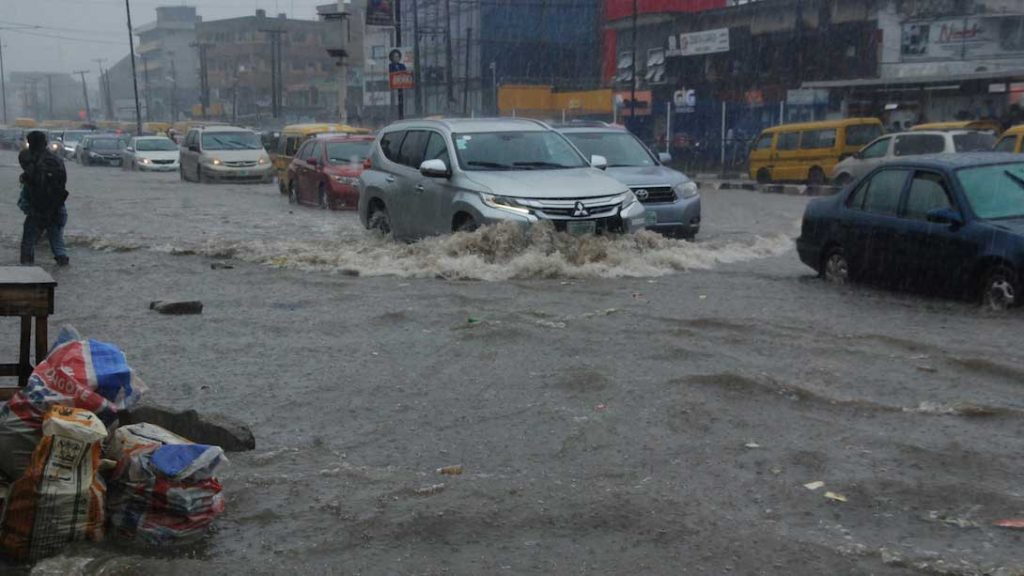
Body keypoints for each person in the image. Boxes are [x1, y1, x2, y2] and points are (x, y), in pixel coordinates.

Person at [18, 130, 69, 266]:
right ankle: (62, 266)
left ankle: (26, 273)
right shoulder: (56, 160)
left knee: (28, 242)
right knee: (57, 243)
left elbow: (38, 183)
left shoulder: (34, 160)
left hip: (41, 207)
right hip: (57, 206)